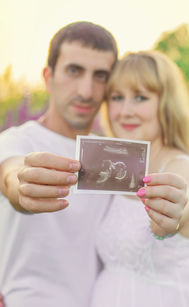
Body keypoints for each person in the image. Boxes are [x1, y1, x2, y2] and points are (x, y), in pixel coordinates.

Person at [0, 21, 118, 307]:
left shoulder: (116, 157)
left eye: (100, 76)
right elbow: (11, 175)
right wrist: (22, 187)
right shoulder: (15, 141)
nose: (87, 90)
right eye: (74, 71)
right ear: (48, 76)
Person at [90, 51, 189, 306]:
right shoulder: (114, 168)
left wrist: (173, 212)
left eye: (140, 97)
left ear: (166, 103)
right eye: (117, 97)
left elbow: (182, 199)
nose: (125, 111)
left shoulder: (182, 167)